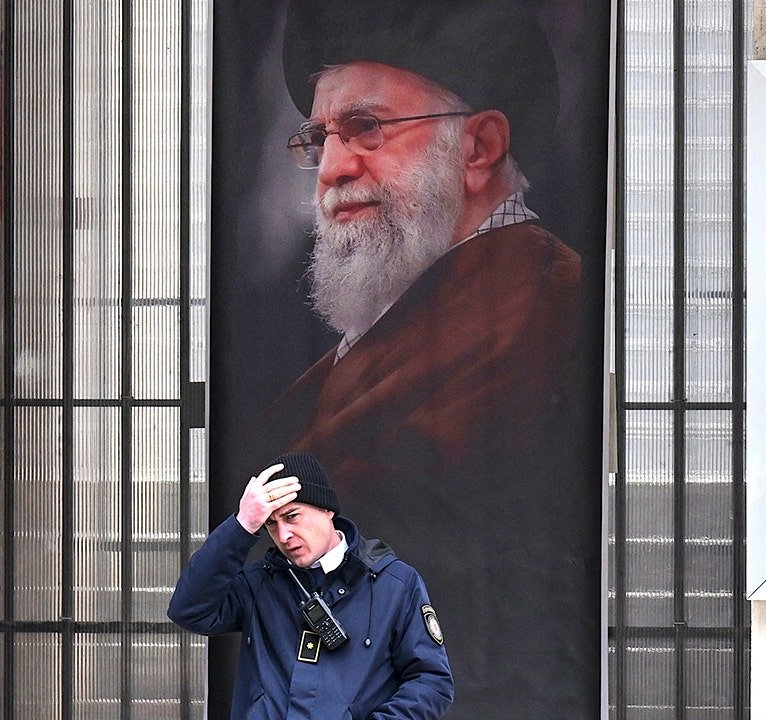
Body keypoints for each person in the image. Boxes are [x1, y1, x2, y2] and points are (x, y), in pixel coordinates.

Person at [245, 1, 600, 716]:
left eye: (367, 128)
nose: (333, 169)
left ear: (479, 148)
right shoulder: (414, 309)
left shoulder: (543, 306)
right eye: (319, 138)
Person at [168, 453, 453, 719]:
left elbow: (431, 681)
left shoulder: (395, 584)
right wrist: (242, 525)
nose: (283, 535)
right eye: (270, 524)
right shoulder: (259, 583)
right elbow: (189, 610)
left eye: (292, 516)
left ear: (327, 509)